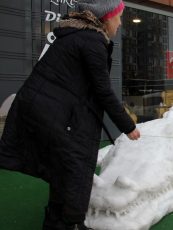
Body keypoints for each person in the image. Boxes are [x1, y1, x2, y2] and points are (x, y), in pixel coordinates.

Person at [0, 0, 140, 229]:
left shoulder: (78, 35)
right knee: (77, 169)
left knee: (63, 170)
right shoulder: (92, 41)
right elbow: (103, 90)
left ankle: (57, 222)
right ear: (106, 17)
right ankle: (71, 224)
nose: (121, 23)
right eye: (119, 17)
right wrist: (128, 126)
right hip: (53, 114)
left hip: (51, 112)